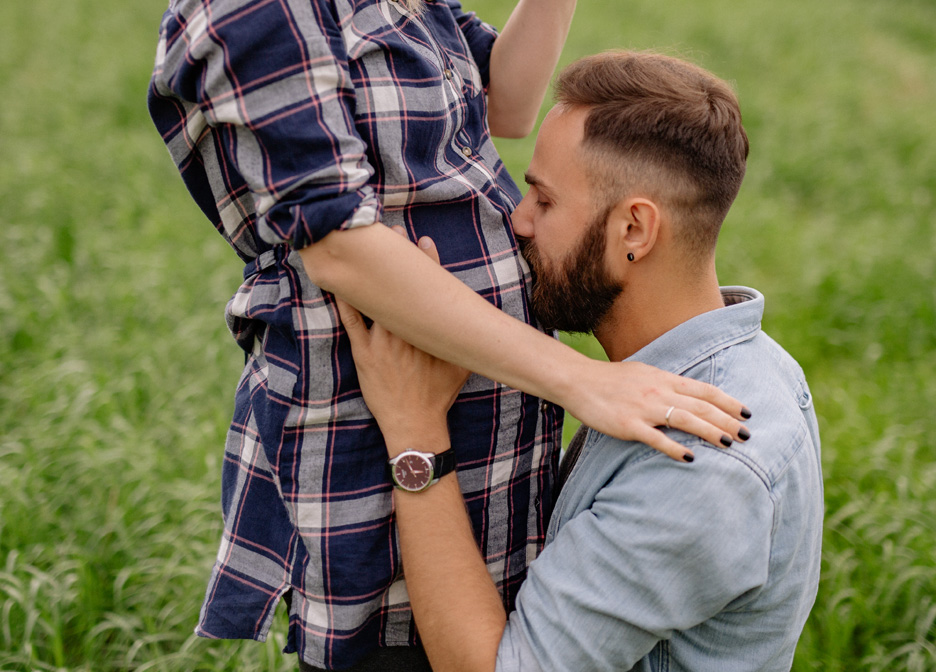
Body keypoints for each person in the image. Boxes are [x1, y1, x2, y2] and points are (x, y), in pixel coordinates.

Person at [148, 0, 750, 667]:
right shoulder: (265, 10)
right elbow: (334, 241)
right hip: (373, 431)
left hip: (487, 434)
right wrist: (583, 379)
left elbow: (510, 106)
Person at [337, 50, 823, 672]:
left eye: (543, 199)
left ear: (633, 232)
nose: (519, 220)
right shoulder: (747, 364)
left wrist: (414, 432)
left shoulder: (699, 463)